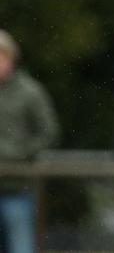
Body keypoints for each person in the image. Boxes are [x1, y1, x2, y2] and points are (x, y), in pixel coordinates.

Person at [0, 29, 59, 253]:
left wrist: (20, 154)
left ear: (11, 58)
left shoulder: (30, 92)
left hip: (17, 188)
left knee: (21, 247)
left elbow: (49, 132)